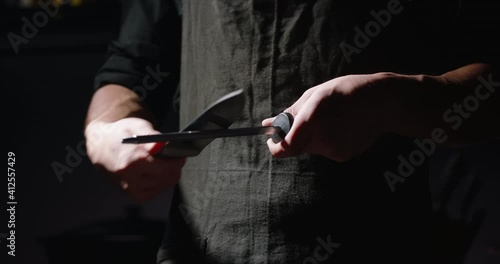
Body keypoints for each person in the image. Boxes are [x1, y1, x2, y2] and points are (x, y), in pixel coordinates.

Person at [84, 0, 499, 263]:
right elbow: (128, 71)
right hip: (196, 249)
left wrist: (389, 100)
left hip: (375, 246)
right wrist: (105, 130)